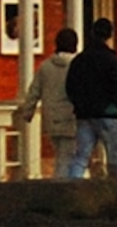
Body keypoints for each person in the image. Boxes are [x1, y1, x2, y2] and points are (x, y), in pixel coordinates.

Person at [64, 17, 117, 181]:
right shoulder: (112, 60)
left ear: (92, 33)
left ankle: (70, 190)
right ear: (110, 35)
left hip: (85, 114)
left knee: (80, 158)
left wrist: (80, 106)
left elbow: (71, 87)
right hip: (107, 114)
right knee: (115, 158)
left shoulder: (80, 60)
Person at [14, 25, 81, 175]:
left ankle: (63, 186)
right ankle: (63, 190)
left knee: (60, 155)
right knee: (68, 159)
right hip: (72, 118)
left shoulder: (45, 66)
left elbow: (34, 92)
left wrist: (27, 113)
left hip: (51, 119)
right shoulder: (79, 66)